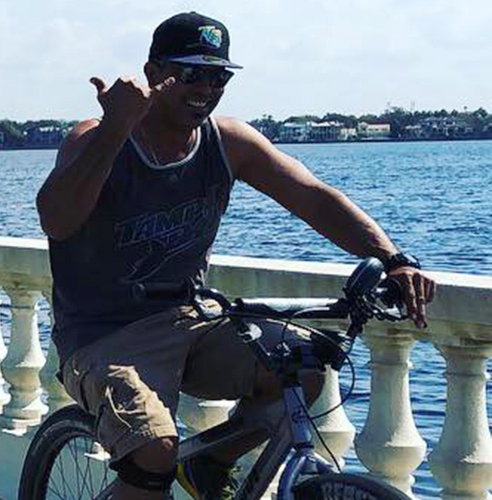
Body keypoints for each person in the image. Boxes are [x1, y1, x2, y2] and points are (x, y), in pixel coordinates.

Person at [35, 12, 436, 500]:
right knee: (154, 454)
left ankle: (211, 465)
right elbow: (57, 219)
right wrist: (116, 128)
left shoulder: (228, 142)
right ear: (153, 72)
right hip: (104, 337)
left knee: (304, 369)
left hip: (191, 318)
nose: (206, 86)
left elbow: (312, 196)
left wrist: (393, 258)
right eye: (190, 73)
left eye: (218, 75)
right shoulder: (96, 136)